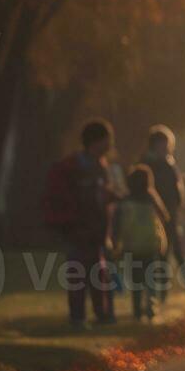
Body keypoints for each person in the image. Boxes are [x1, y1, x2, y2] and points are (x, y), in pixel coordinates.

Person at [43, 119, 120, 327]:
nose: (110, 145)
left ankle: (101, 314)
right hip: (77, 229)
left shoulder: (100, 166)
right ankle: (78, 317)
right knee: (79, 274)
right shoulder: (73, 167)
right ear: (96, 141)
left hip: (96, 230)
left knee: (98, 274)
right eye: (107, 140)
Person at [141, 125, 185, 302]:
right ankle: (160, 294)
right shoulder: (148, 164)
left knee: (176, 253)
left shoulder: (169, 163)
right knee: (160, 256)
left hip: (171, 215)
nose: (165, 148)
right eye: (162, 144)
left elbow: (178, 190)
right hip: (154, 216)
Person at [112, 165, 170, 321]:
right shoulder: (151, 198)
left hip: (131, 245)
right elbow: (165, 216)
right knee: (150, 278)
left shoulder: (125, 202)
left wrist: (115, 242)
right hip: (150, 245)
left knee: (136, 279)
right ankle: (151, 307)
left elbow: (117, 224)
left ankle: (137, 309)